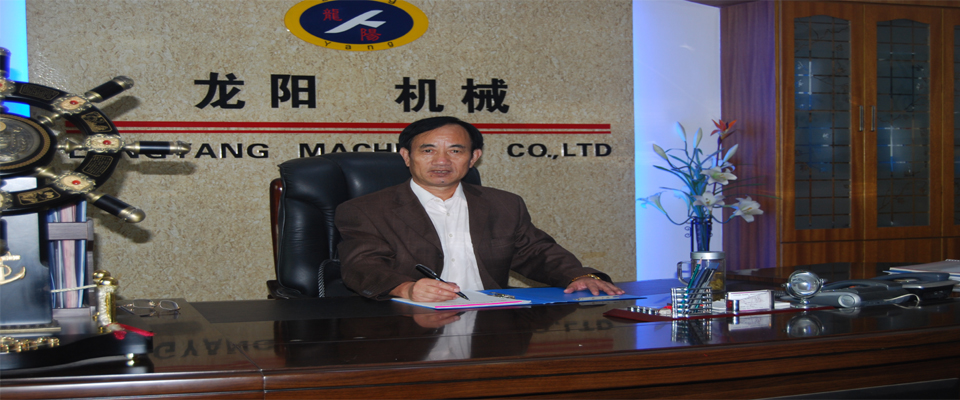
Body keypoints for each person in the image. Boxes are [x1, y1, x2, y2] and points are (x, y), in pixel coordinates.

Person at [335, 116, 624, 302]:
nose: (442, 161)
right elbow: (362, 266)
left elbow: (536, 252)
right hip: (409, 320)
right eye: (428, 150)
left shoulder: (504, 204)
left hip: (492, 317)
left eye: (455, 151)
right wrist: (406, 288)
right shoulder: (366, 210)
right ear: (406, 156)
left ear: (473, 158)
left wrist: (579, 276)